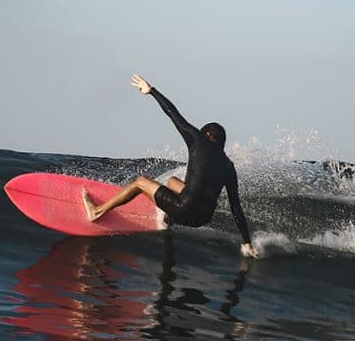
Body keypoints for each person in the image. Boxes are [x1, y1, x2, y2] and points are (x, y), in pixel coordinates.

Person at [83, 74, 257, 258]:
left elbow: (173, 114)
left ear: (205, 134)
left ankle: (97, 211)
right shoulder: (229, 166)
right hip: (202, 218)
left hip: (184, 209)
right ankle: (168, 219)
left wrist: (152, 91)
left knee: (140, 182)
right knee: (173, 182)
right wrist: (246, 242)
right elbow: (235, 208)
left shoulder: (198, 141)